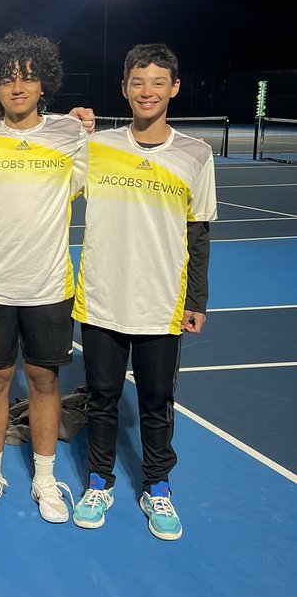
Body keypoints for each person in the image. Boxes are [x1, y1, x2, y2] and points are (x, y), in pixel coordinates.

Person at [71, 43, 217, 541]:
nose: (147, 91)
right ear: (125, 88)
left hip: (162, 303)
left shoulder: (196, 154)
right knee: (103, 399)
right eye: (138, 82)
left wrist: (195, 300)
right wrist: (73, 126)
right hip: (102, 296)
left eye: (158, 82)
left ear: (174, 88)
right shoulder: (95, 147)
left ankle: (158, 486)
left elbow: (198, 234)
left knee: (158, 401)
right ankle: (99, 481)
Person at [0, 31, 87, 524]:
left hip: (50, 285)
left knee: (44, 380)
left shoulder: (72, 137)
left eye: (28, 78)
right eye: (8, 79)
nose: (18, 87)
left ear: (43, 84)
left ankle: (45, 477)